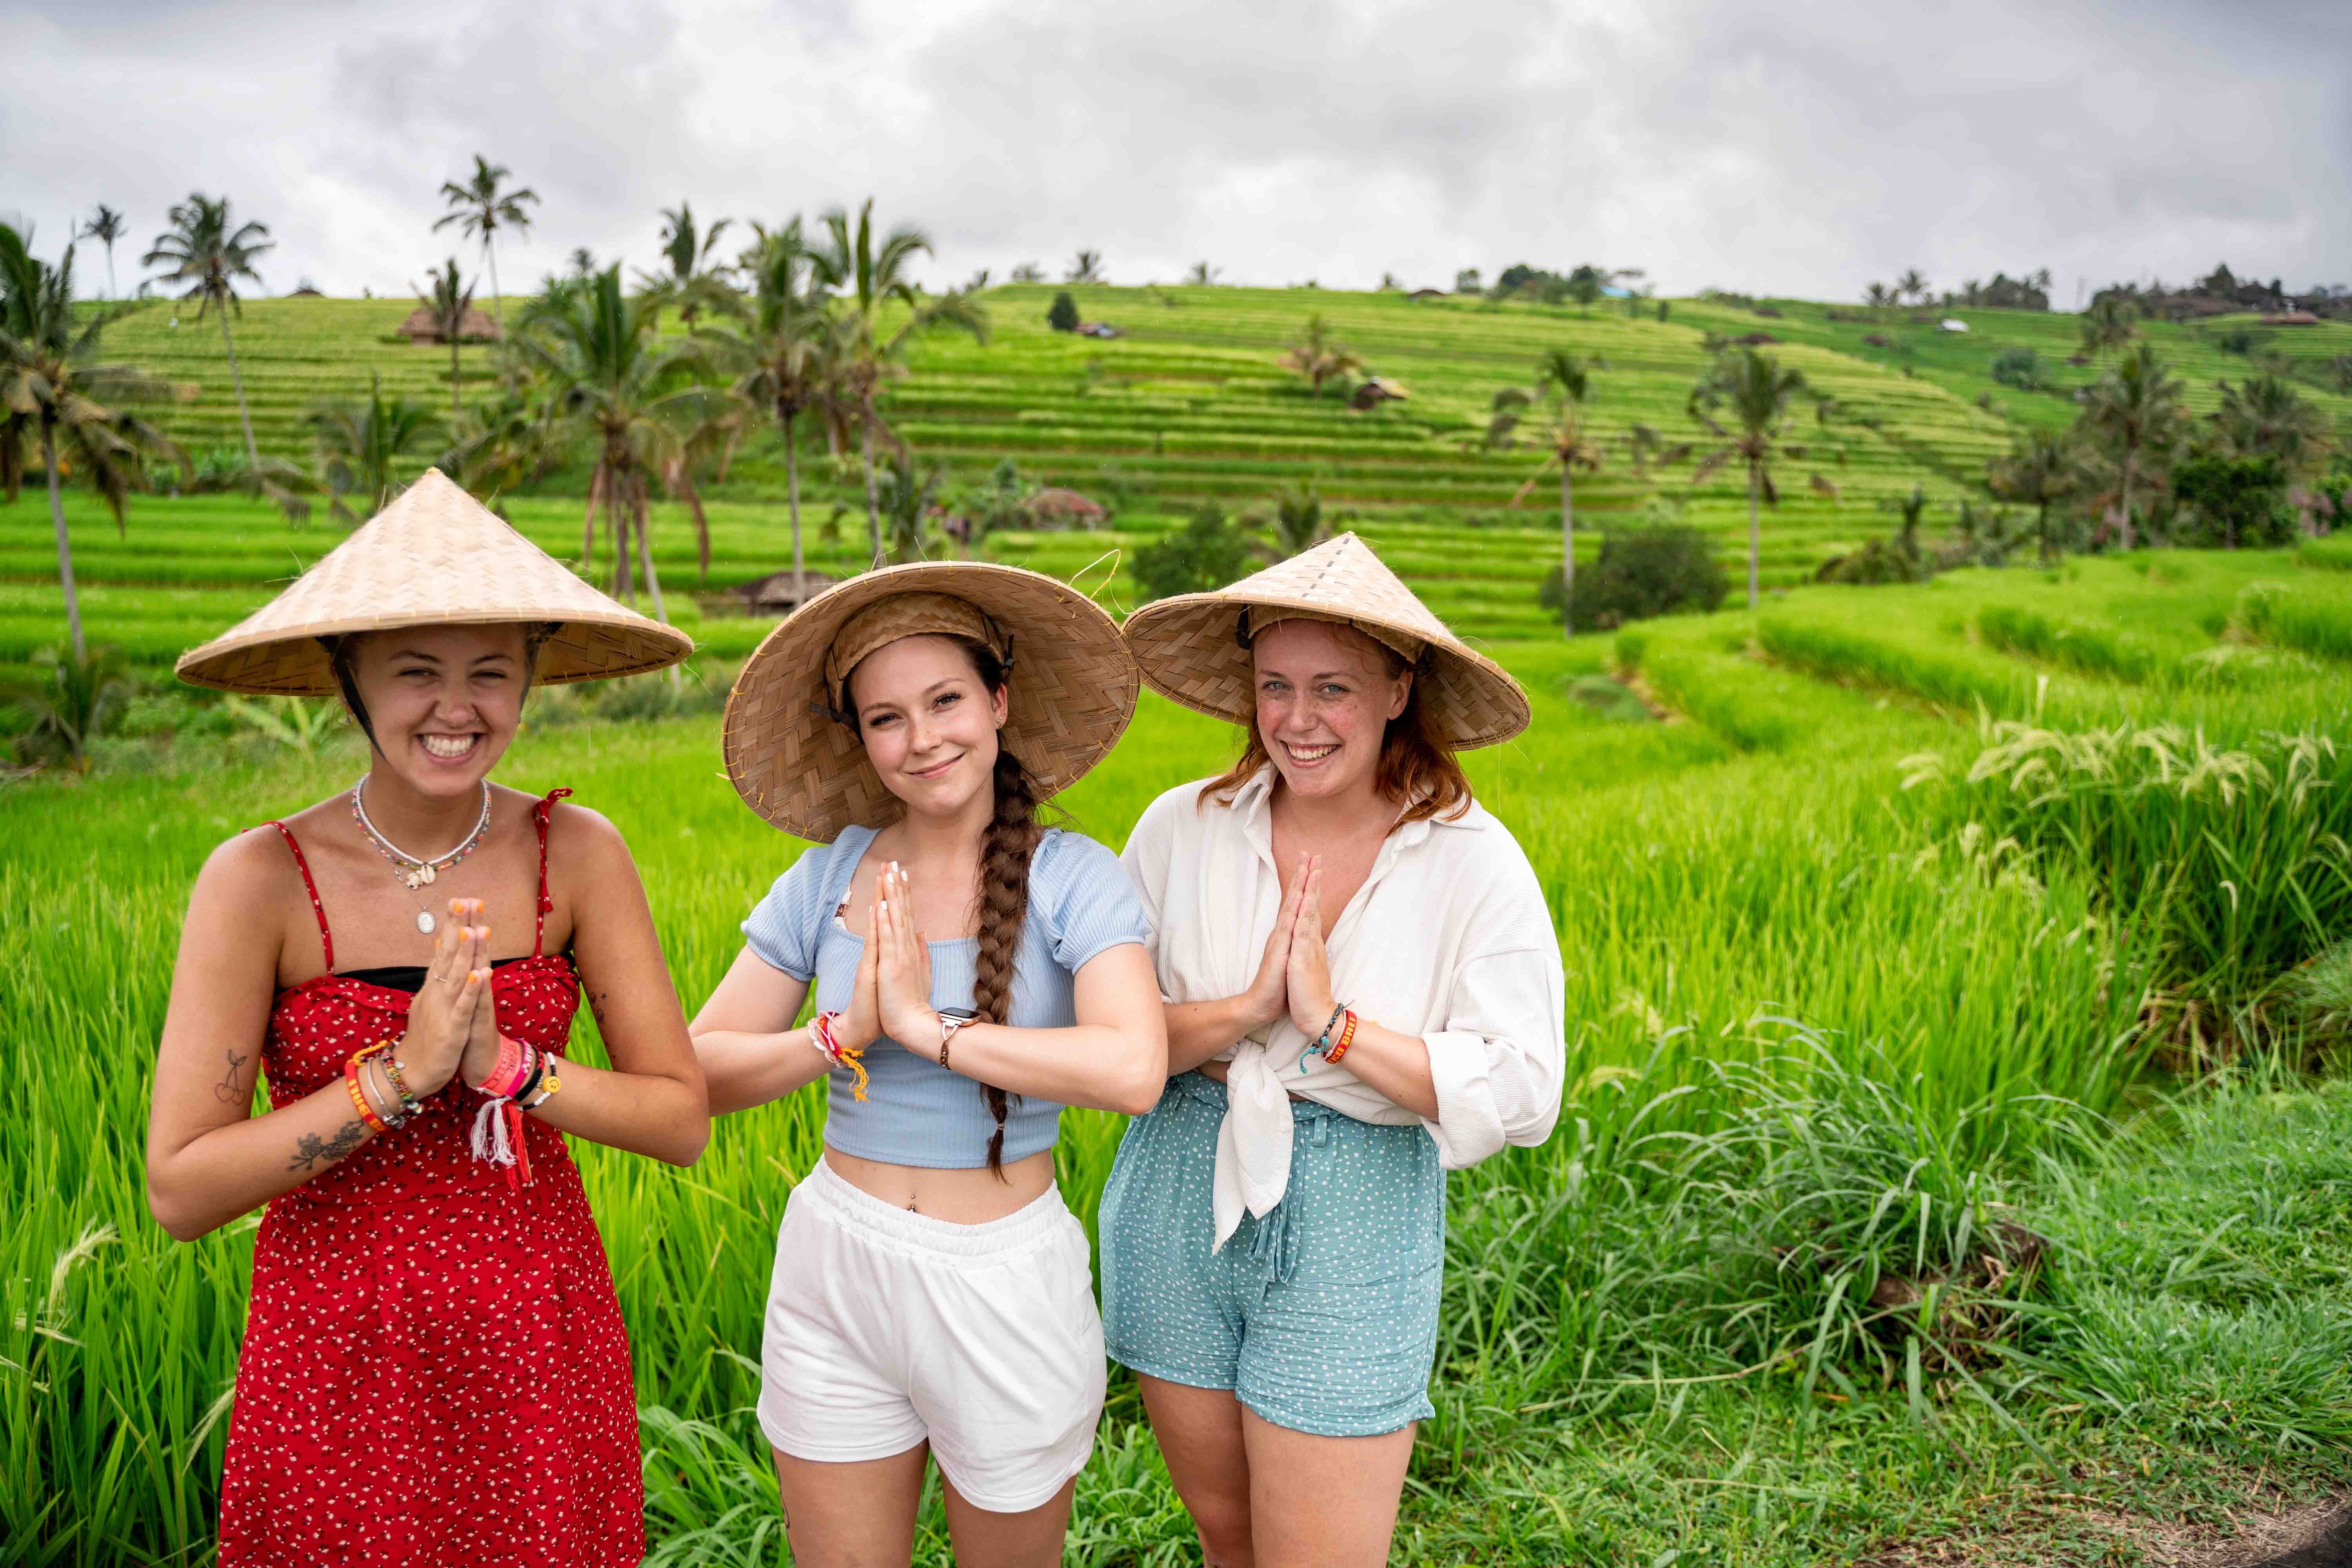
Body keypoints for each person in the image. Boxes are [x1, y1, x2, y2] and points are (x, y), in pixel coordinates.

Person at [145, 470, 711, 1568]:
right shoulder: (262, 878)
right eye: (417, 674)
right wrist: (398, 1078)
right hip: (336, 1352)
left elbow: (677, 1118)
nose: (457, 709)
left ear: (530, 682)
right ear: (347, 678)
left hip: (535, 1339)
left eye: (492, 674)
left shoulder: (577, 854)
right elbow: (181, 1187)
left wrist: (510, 1066)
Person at [1103, 532, 1566, 1567]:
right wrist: (1243, 1010)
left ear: (1401, 689)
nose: (1297, 722)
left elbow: (1526, 1084)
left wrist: (1332, 1027)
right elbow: (1109, 1042)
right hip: (1179, 1185)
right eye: (1275, 687)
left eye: (1333, 689)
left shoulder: (1470, 861)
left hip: (1357, 1208)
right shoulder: (1183, 828)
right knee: (1229, 1544)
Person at [692, 563, 1168, 1568]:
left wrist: (930, 1028)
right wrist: (841, 1032)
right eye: (886, 717)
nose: (923, 738)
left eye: (946, 700)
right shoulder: (827, 871)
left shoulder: (1071, 875)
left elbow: (1133, 1066)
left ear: (998, 702)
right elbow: (700, 1069)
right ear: (861, 738)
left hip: (999, 1279)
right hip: (835, 1262)